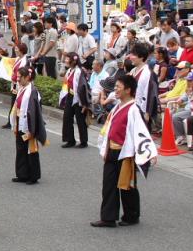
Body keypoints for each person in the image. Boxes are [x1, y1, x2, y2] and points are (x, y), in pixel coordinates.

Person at [90, 74, 158, 228]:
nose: (115, 90)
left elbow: (141, 132)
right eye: (115, 87)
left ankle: (132, 215)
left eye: (118, 87)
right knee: (109, 184)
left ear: (128, 90)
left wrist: (149, 153)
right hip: (112, 149)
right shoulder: (117, 106)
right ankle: (108, 217)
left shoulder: (134, 109)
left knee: (126, 185)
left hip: (125, 152)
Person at [10, 67, 47, 184]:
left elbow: (35, 111)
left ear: (27, 77)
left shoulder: (33, 91)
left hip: (29, 125)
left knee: (31, 151)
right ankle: (22, 174)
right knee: (20, 149)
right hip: (20, 122)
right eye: (18, 76)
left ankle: (33, 176)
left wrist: (32, 128)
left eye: (20, 77)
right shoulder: (22, 88)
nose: (18, 79)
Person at [60, 53, 90, 148]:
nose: (65, 60)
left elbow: (83, 87)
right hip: (70, 96)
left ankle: (83, 141)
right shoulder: (69, 70)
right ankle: (70, 140)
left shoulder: (80, 71)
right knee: (67, 118)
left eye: (67, 59)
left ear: (73, 61)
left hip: (79, 98)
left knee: (80, 120)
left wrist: (84, 103)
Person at [128, 43, 158, 128]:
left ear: (141, 57)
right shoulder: (133, 70)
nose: (130, 57)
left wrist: (147, 112)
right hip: (132, 107)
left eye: (133, 55)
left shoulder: (148, 73)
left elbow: (151, 95)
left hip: (142, 109)